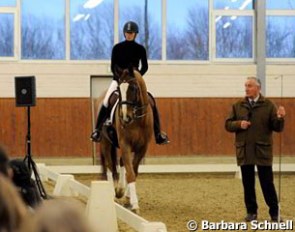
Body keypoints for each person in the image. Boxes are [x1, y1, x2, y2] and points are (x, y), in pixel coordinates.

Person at [91, 21, 169, 145]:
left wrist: (137, 78)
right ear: (124, 33)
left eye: (131, 33)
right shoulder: (117, 48)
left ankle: (158, 133)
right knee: (106, 101)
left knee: (151, 101)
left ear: (135, 34)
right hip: (119, 81)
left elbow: (145, 67)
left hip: (134, 82)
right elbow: (113, 66)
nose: (129, 35)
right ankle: (98, 130)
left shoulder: (140, 49)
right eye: (127, 33)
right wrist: (120, 78)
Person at [225, 76, 286, 222]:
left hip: (262, 151)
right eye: (245, 85)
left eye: (250, 86)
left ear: (258, 88)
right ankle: (251, 212)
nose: (246, 88)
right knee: (248, 184)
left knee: (267, 183)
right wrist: (239, 124)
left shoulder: (269, 105)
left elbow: (277, 128)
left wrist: (280, 118)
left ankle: (274, 213)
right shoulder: (237, 105)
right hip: (245, 150)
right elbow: (227, 124)